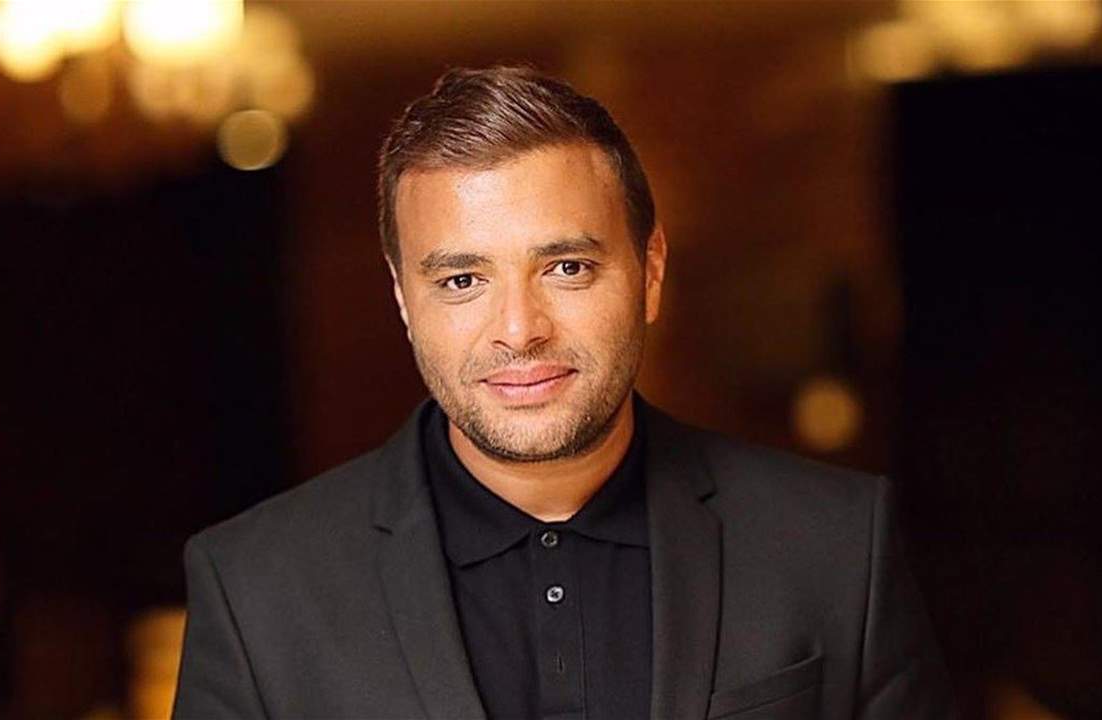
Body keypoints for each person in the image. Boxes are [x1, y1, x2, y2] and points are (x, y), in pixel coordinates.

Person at [172, 65, 956, 720]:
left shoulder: (837, 546)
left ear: (650, 273)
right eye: (462, 279)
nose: (520, 330)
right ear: (405, 300)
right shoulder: (254, 589)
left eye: (567, 268)